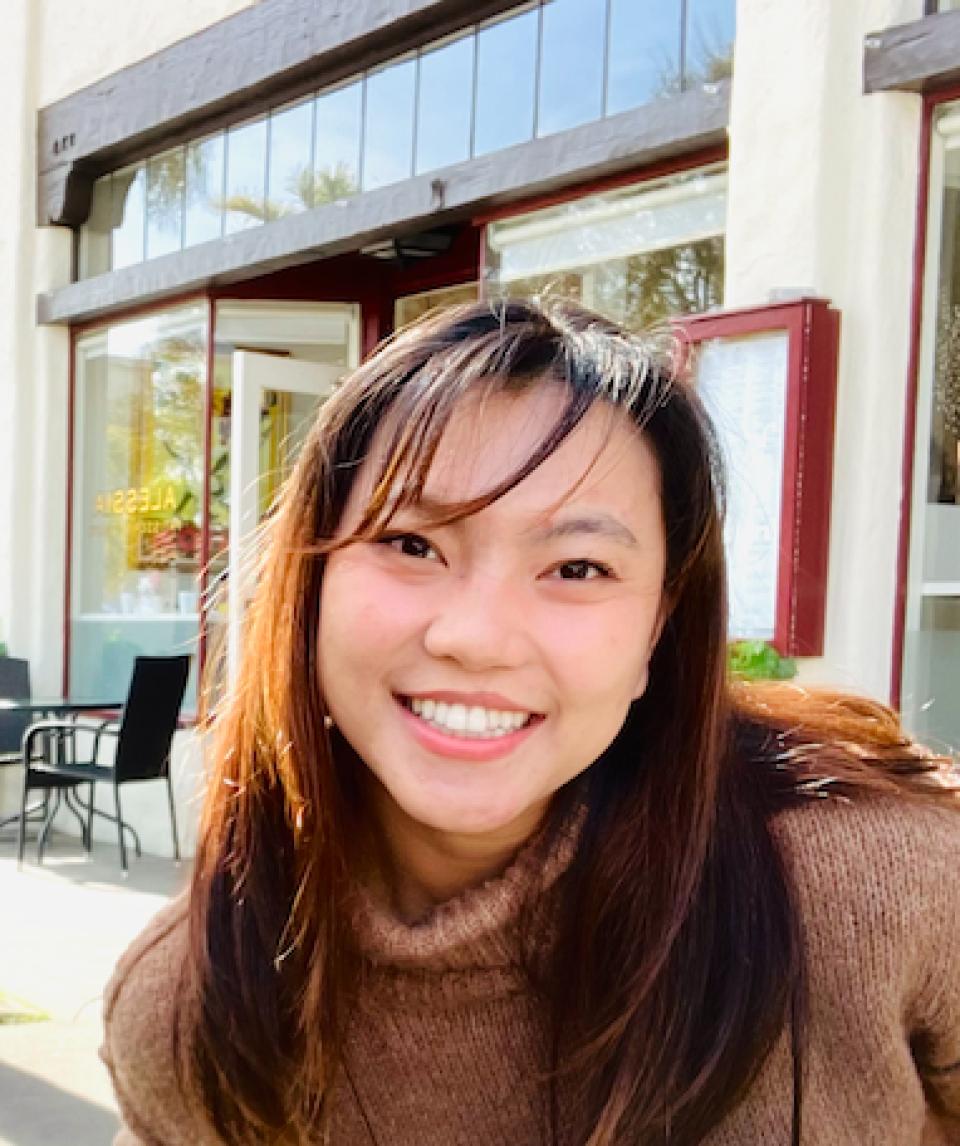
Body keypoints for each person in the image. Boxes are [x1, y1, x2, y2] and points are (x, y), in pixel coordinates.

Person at [101, 300, 960, 1146]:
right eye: (413, 545)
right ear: (309, 583)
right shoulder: (187, 1009)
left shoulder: (886, 880)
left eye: (577, 567)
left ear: (658, 630)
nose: (477, 639)